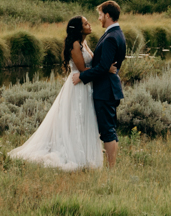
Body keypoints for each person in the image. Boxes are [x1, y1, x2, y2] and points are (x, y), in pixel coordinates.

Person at [7, 11, 118, 171]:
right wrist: (105, 69)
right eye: (86, 24)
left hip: (86, 85)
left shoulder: (83, 42)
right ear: (80, 29)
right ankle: (76, 154)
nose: (90, 25)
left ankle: (85, 154)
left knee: (85, 119)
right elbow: (82, 69)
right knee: (76, 119)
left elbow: (91, 65)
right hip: (78, 86)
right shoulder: (74, 44)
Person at [72, 0, 125, 168]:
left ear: (108, 15)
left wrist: (82, 76)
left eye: (101, 15)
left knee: (107, 130)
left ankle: (111, 168)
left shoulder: (111, 37)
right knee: (109, 129)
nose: (99, 18)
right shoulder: (117, 33)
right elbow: (105, 66)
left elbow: (103, 66)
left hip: (105, 89)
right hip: (109, 87)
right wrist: (105, 68)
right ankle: (111, 166)